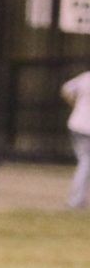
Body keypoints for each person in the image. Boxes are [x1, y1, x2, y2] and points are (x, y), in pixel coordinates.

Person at [61, 70, 90, 210]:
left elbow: (66, 89)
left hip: (76, 124)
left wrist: (75, 104)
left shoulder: (86, 77)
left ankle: (78, 200)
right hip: (86, 128)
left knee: (85, 161)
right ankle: (76, 201)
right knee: (86, 162)